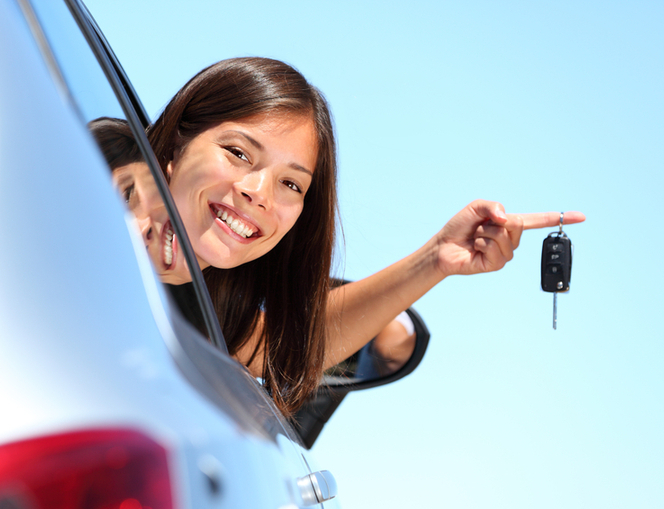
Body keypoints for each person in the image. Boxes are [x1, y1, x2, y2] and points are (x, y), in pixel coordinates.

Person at [91, 60, 585, 414]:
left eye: (291, 183)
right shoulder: (90, 171)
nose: (258, 193)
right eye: (239, 153)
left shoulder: (207, 312)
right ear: (176, 146)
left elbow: (295, 346)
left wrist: (437, 258)